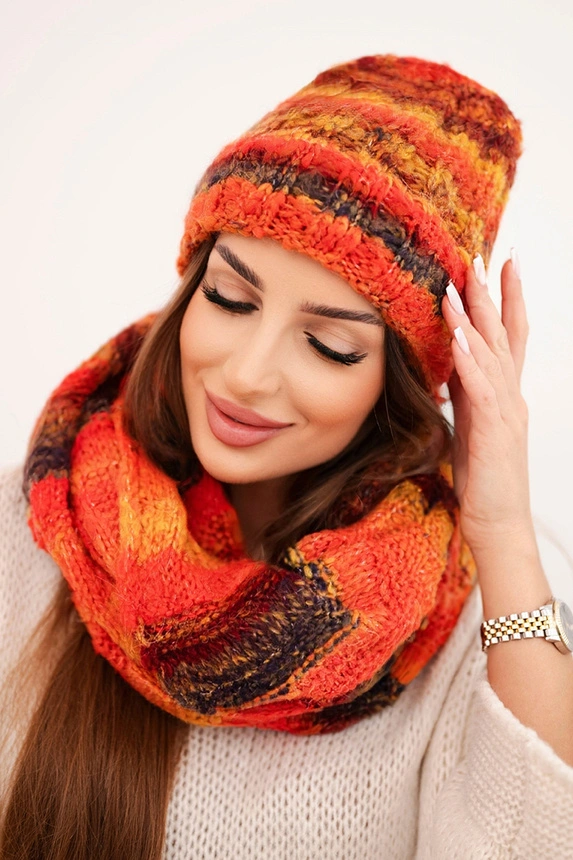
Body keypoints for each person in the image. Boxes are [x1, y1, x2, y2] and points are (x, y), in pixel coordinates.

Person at [1, 54, 572, 860]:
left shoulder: (471, 611)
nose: (245, 374)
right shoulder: (30, 529)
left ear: (395, 382)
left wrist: (504, 535)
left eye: (329, 345)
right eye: (229, 299)